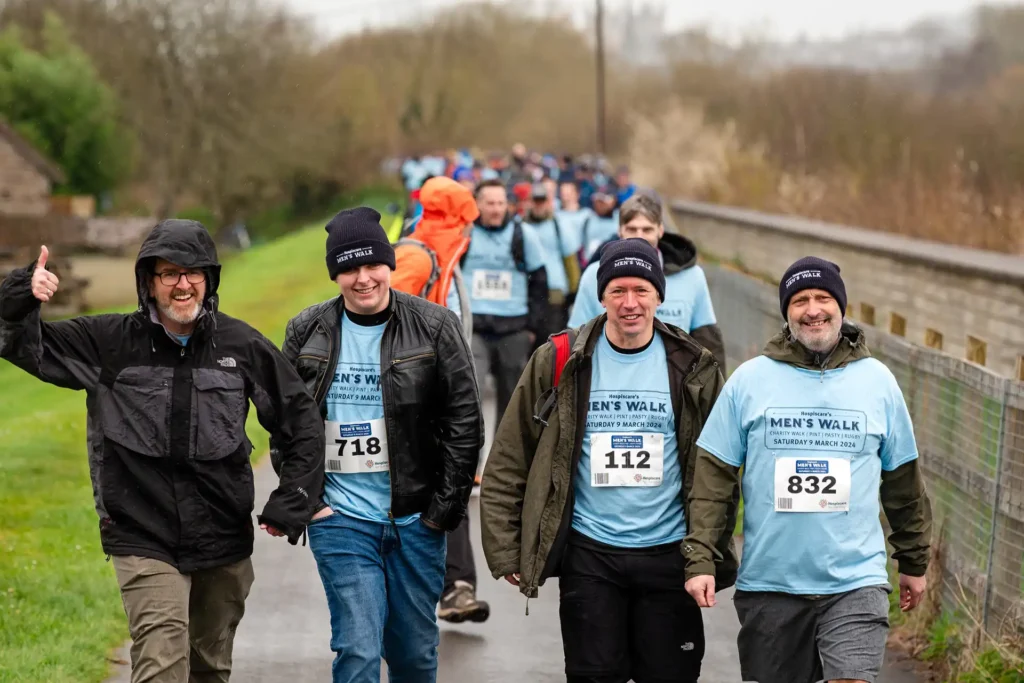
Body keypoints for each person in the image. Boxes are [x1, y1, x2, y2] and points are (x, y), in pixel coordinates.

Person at [0, 220, 324, 683]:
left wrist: (293, 495)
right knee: (161, 665)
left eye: (194, 272)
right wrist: (20, 294)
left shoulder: (242, 346)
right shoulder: (109, 342)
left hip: (222, 537)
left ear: (209, 279)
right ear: (148, 283)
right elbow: (23, 347)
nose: (183, 284)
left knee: (209, 669)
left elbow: (300, 420)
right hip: (141, 532)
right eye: (169, 273)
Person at [480, 239, 737, 683]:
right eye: (618, 291)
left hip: (669, 555)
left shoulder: (694, 368)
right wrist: (505, 546)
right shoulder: (561, 360)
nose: (630, 303)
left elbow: (719, 473)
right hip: (591, 555)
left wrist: (706, 551)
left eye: (641, 290)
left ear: (660, 295)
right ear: (601, 296)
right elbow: (510, 454)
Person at [683, 256, 933, 683]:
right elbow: (713, 477)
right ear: (786, 312)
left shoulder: (878, 382)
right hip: (771, 583)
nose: (813, 309)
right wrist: (700, 557)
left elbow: (903, 481)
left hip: (856, 580)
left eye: (823, 298)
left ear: (841, 307)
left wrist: (913, 559)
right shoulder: (750, 380)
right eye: (800, 300)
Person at [279, 207, 483, 683]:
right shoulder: (306, 330)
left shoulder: (435, 326)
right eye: (349, 268)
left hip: (416, 520)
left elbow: (464, 420)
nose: (363, 278)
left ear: (390, 264)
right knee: (358, 649)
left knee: (412, 655)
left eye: (372, 264)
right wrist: (307, 499)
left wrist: (441, 510)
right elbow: (285, 421)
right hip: (341, 520)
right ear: (335, 274)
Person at [388, 176, 492, 624]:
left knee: (455, 478)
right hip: (414, 399)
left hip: (441, 391)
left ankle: (456, 588)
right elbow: (384, 326)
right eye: (464, 220)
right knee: (422, 489)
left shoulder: (440, 253)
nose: (470, 230)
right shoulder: (412, 257)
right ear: (448, 219)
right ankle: (424, 592)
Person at [568, 193, 726, 368]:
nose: (639, 237)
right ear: (620, 230)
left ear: (660, 230)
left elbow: (709, 343)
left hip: (674, 384)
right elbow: (576, 340)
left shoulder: (693, 276)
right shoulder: (593, 275)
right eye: (632, 229)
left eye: (647, 229)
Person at [461, 179, 548, 425]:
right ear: (477, 204)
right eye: (490, 203)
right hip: (473, 328)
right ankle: (469, 460)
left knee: (511, 403)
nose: (497, 209)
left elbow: (540, 282)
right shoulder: (465, 234)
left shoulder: (523, 235)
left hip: (514, 330)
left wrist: (533, 327)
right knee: (469, 396)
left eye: (501, 203)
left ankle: (500, 462)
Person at [523, 182, 581, 346]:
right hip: (529, 292)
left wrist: (573, 291)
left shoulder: (558, 225)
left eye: (543, 200)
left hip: (555, 292)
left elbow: (570, 261)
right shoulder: (521, 225)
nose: (539, 205)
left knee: (553, 343)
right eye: (536, 200)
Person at [578, 186, 619, 266]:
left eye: (602, 201)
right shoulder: (587, 219)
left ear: (613, 201)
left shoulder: (620, 219)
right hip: (591, 267)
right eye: (597, 201)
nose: (599, 205)